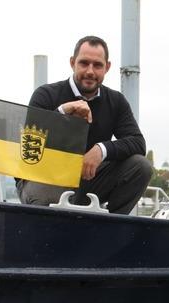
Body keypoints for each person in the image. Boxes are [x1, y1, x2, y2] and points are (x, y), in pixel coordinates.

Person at [16, 35, 152, 214]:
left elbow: (137, 143)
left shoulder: (116, 101)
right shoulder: (46, 95)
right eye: (84, 63)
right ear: (72, 63)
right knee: (47, 193)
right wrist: (62, 112)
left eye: (97, 65)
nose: (90, 71)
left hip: (88, 179)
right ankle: (46, 238)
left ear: (107, 67)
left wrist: (101, 150)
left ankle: (110, 229)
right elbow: (30, 146)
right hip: (45, 178)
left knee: (141, 167)